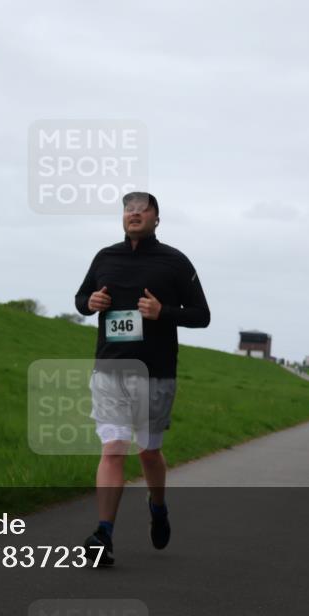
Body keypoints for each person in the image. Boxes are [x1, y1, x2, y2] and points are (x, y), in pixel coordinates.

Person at [74, 191, 210, 567]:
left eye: (142, 209)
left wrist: (162, 311)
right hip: (109, 369)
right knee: (114, 448)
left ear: (156, 218)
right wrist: (90, 303)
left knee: (149, 451)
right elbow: (81, 298)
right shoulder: (105, 257)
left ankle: (158, 507)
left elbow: (201, 315)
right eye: (128, 209)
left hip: (155, 372)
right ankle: (104, 533)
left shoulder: (175, 261)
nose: (134, 214)